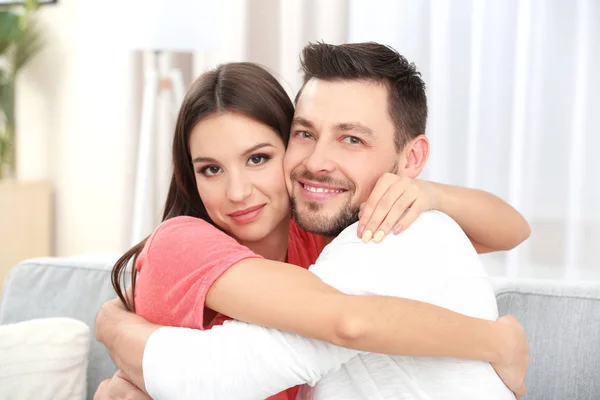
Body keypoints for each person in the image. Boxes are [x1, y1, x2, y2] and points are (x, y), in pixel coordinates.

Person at [95, 46, 530, 399]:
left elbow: (512, 231)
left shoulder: (321, 232)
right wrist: (495, 342)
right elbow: (348, 322)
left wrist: (432, 193)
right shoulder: (182, 241)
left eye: (258, 158)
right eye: (210, 169)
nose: (237, 192)